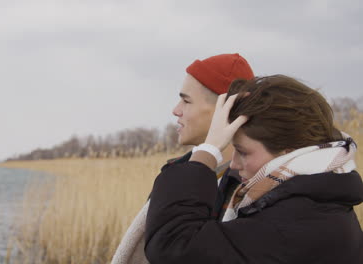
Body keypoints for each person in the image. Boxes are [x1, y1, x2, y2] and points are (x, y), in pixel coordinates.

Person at [145, 75, 363, 263]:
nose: (234, 164)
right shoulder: (315, 201)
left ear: (288, 151)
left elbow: (174, 246)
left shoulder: (295, 226)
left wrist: (207, 151)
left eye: (244, 152)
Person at [111, 53, 255, 264]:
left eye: (186, 101)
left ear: (226, 110)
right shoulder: (175, 173)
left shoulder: (250, 185)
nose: (176, 110)